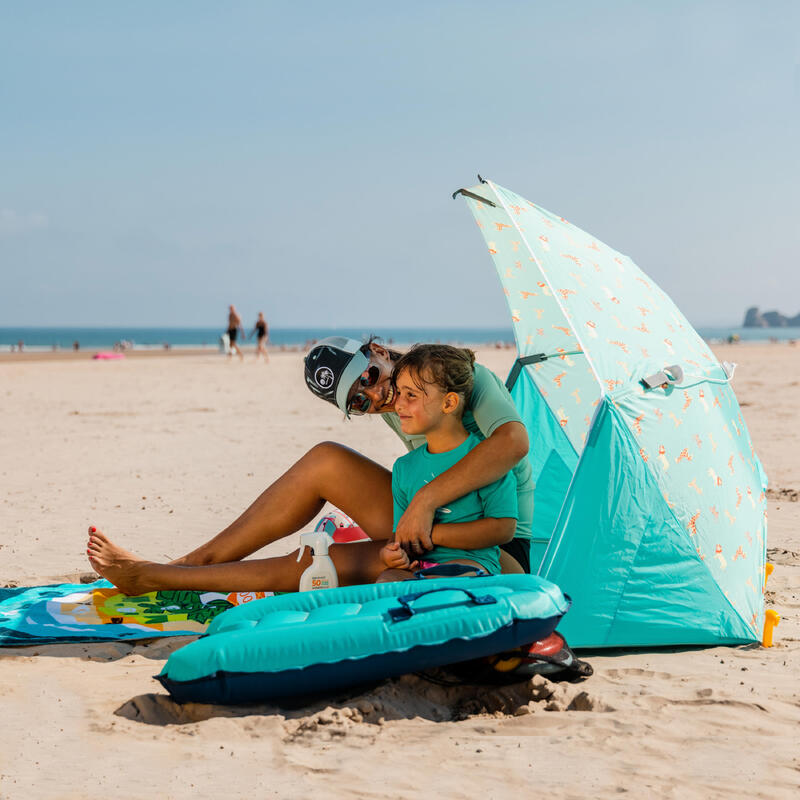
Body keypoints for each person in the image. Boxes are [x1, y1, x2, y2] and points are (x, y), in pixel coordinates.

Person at [86, 335, 533, 594]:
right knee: (325, 461)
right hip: (429, 528)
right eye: (358, 402)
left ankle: (163, 577)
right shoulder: (405, 407)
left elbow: (513, 442)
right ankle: (188, 565)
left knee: (321, 562)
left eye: (370, 378)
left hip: (493, 547)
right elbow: (420, 476)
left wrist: (425, 501)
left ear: (378, 350)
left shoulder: (463, 382)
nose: (376, 398)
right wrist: (415, 509)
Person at [378, 345, 517, 582]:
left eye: (411, 395)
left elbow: (503, 528)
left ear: (449, 403)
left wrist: (432, 534)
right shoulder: (404, 468)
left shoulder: (483, 460)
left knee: (450, 576)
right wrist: (391, 553)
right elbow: (400, 534)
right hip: (419, 566)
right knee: (386, 581)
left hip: (473, 563)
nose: (398, 404)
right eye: (399, 392)